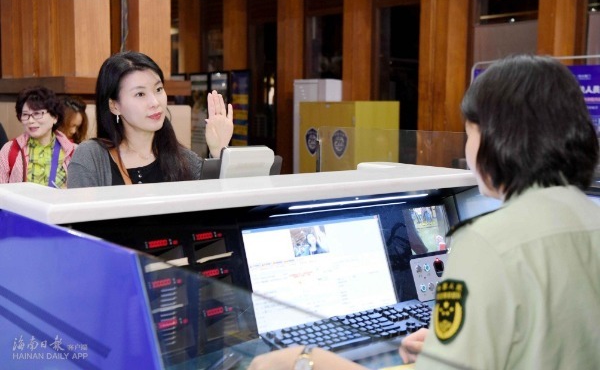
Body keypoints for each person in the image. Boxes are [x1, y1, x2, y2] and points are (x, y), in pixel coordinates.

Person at [249, 55, 600, 370]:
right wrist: (454, 345)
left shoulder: (485, 244)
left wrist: (306, 360)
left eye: (470, 134)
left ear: (498, 141)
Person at [67, 51, 233, 187]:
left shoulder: (183, 159)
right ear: (114, 106)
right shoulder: (91, 157)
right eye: (140, 94)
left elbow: (217, 208)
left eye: (158, 89)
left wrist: (218, 151)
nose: (155, 102)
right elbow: (80, 216)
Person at [0, 86, 76, 187]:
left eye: (37, 113)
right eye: (25, 115)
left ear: (55, 117)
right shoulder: (9, 150)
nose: (30, 120)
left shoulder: (73, 151)